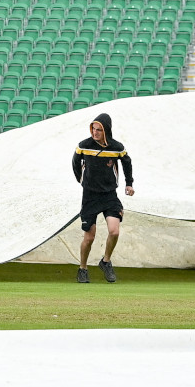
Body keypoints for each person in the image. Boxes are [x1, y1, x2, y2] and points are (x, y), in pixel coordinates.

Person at [71, 112, 134, 283]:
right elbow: (75, 161)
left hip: (109, 195)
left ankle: (105, 262)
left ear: (105, 130)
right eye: (93, 129)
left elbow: (127, 162)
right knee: (89, 237)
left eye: (98, 130)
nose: (95, 133)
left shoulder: (116, 147)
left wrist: (129, 183)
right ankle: (82, 268)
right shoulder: (84, 145)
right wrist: (81, 179)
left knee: (114, 231)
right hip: (90, 196)